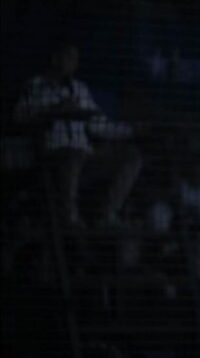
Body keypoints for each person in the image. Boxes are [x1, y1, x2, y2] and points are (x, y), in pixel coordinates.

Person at [14, 43, 142, 228]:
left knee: (131, 156)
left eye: (76, 59)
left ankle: (108, 214)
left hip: (86, 157)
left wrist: (132, 130)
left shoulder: (80, 89)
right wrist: (54, 111)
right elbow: (20, 117)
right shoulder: (35, 86)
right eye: (69, 57)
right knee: (72, 155)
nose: (74, 62)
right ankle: (70, 218)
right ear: (55, 58)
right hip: (55, 157)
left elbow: (100, 126)